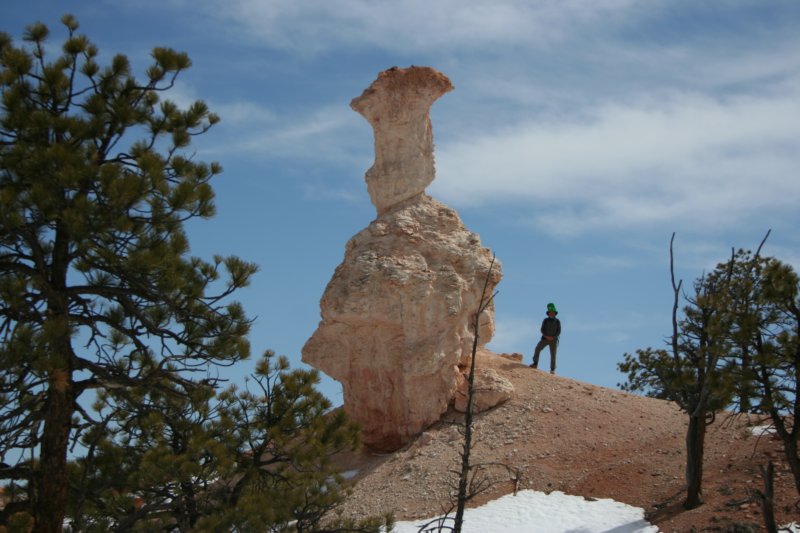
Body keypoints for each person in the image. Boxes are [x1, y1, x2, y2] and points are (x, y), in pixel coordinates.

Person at [530, 302, 561, 374]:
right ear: (548, 313)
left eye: (552, 312)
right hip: (545, 339)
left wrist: (553, 337)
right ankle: (535, 364)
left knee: (553, 354)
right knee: (537, 348)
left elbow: (559, 331)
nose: (551, 313)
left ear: (555, 313)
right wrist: (546, 336)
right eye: (550, 312)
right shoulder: (545, 320)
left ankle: (552, 370)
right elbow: (542, 329)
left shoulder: (557, 321)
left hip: (554, 340)